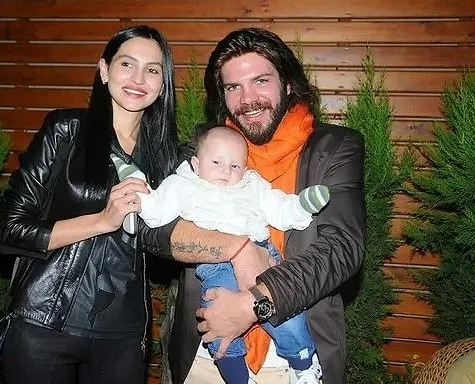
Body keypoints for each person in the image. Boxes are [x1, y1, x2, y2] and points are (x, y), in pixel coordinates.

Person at [159, 28, 366, 384]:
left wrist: (252, 304)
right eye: (233, 87)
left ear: (288, 83)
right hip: (209, 352)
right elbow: (155, 229)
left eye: (260, 81)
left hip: (296, 362)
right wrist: (238, 249)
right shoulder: (207, 147)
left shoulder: (335, 147)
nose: (248, 99)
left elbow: (341, 248)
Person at [0, 25, 180, 384]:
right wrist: (102, 220)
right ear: (104, 70)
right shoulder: (66, 130)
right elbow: (9, 230)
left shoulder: (168, 157)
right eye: (127, 64)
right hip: (45, 322)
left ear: (162, 84)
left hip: (124, 333)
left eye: (152, 70)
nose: (138, 79)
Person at [111, 124, 329, 383]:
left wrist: (301, 206)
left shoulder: (252, 185)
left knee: (285, 310)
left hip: (261, 254)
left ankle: (303, 365)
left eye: (235, 165)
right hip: (215, 264)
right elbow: (157, 210)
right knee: (217, 319)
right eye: (216, 162)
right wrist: (139, 192)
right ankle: (238, 379)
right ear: (196, 163)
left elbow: (278, 208)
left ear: (245, 168)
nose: (226, 171)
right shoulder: (182, 184)